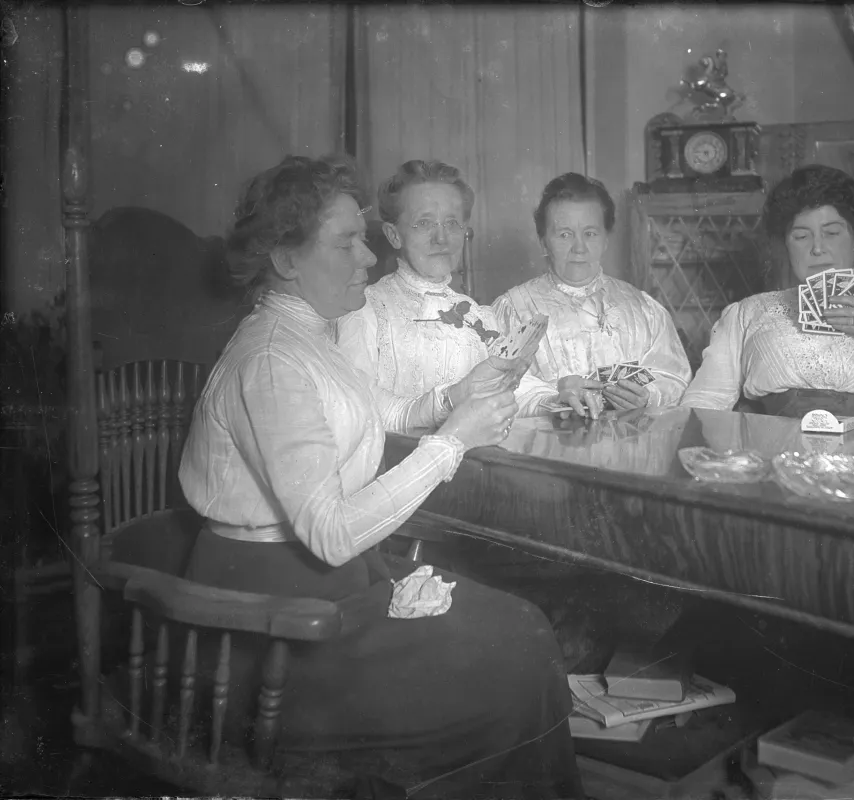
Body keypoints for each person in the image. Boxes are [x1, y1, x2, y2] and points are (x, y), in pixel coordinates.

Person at [177, 154, 581, 799]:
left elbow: (377, 408)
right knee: (513, 651)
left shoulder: (308, 334)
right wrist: (452, 442)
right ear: (285, 260)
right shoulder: (273, 360)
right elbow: (331, 534)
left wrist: (454, 398)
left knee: (523, 629)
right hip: (266, 625)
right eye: (346, 243)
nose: (367, 258)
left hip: (325, 589)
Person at [681, 164, 854, 432]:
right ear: (786, 244)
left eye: (831, 233)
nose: (817, 248)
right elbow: (702, 405)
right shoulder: (746, 314)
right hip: (771, 464)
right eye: (801, 236)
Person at [337, 159, 556, 416]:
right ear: (394, 235)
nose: (441, 239)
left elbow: (510, 387)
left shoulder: (477, 315)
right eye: (424, 223)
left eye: (451, 224)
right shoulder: (367, 312)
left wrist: (554, 400)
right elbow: (363, 405)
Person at [492, 173, 692, 419]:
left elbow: (675, 377)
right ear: (544, 243)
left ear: (606, 239)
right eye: (565, 234)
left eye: (590, 233)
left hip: (628, 449)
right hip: (548, 448)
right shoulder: (512, 309)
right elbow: (495, 389)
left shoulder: (643, 308)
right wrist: (552, 396)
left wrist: (649, 395)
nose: (579, 248)